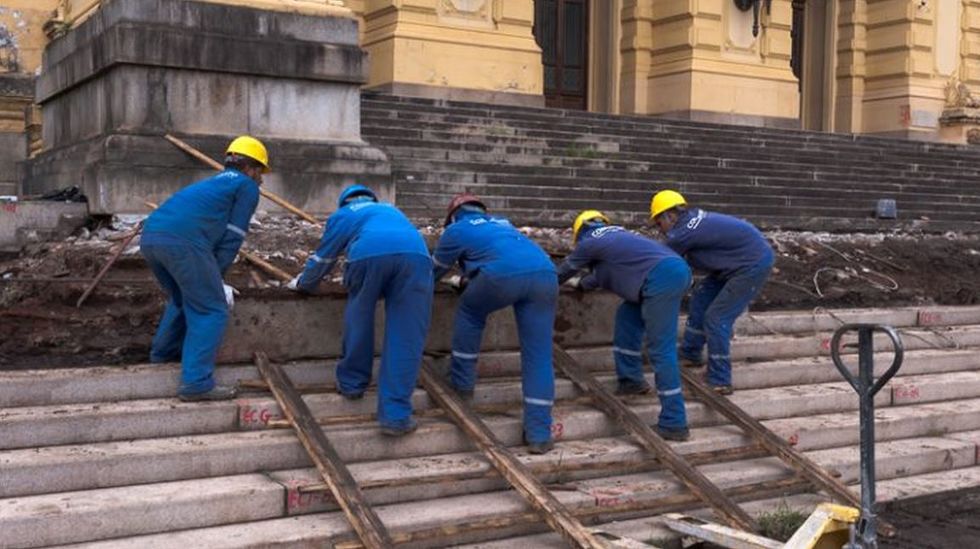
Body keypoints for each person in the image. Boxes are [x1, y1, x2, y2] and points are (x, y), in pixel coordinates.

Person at [289, 184, 432, 436]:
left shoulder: (344, 214)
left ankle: (352, 384)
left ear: (344, 201)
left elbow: (324, 258)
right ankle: (396, 416)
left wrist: (303, 284)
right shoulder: (391, 210)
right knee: (405, 336)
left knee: (360, 317)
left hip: (368, 255)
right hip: (416, 258)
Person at [141, 135, 268, 401]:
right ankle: (196, 382)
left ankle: (162, 355)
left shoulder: (212, 184)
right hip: (184, 244)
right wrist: (217, 275)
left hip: (152, 237)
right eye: (261, 172)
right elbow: (234, 234)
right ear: (251, 168)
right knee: (211, 308)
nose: (261, 179)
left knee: (182, 298)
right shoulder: (246, 187)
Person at [433, 193, 558, 454]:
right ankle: (539, 434)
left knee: (470, 312)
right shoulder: (503, 224)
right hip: (545, 274)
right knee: (538, 355)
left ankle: (462, 384)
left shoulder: (456, 229)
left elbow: (432, 272)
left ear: (453, 216)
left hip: (501, 277)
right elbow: (501, 255)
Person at [557, 210, 692, 441]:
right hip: (669, 271)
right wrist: (580, 283)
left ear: (579, 232)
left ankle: (675, 422)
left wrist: (540, 283)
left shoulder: (591, 241)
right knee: (627, 317)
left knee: (661, 349)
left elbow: (562, 271)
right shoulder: (619, 239)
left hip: (661, 278)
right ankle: (630, 380)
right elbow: (602, 275)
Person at [650, 190, 774, 395]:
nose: (660, 229)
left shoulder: (682, 233)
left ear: (669, 216)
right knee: (701, 297)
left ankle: (720, 379)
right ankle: (691, 352)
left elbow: (657, 258)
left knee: (717, 318)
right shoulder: (690, 223)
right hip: (735, 262)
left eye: (658, 223)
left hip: (751, 265)